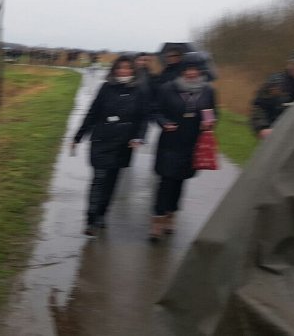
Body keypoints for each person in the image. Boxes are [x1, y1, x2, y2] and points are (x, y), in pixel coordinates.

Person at [71, 55, 149, 235]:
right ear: (114, 70)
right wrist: (78, 136)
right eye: (120, 68)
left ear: (133, 70)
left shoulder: (139, 91)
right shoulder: (106, 88)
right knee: (99, 179)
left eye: (127, 68)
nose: (123, 71)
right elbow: (92, 113)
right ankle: (91, 220)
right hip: (102, 141)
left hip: (124, 144)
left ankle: (102, 214)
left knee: (111, 182)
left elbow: (143, 118)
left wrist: (139, 137)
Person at [150, 52, 217, 241]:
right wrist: (164, 122)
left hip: (192, 142)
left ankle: (171, 214)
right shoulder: (168, 88)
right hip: (170, 141)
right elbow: (155, 110)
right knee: (166, 181)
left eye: (195, 69)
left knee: (180, 181)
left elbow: (211, 111)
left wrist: (209, 122)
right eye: (188, 69)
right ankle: (157, 219)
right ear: (182, 70)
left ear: (201, 70)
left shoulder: (208, 90)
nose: (191, 73)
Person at [250, 47, 294, 139]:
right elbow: (259, 107)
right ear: (290, 63)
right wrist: (262, 128)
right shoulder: (275, 83)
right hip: (276, 133)